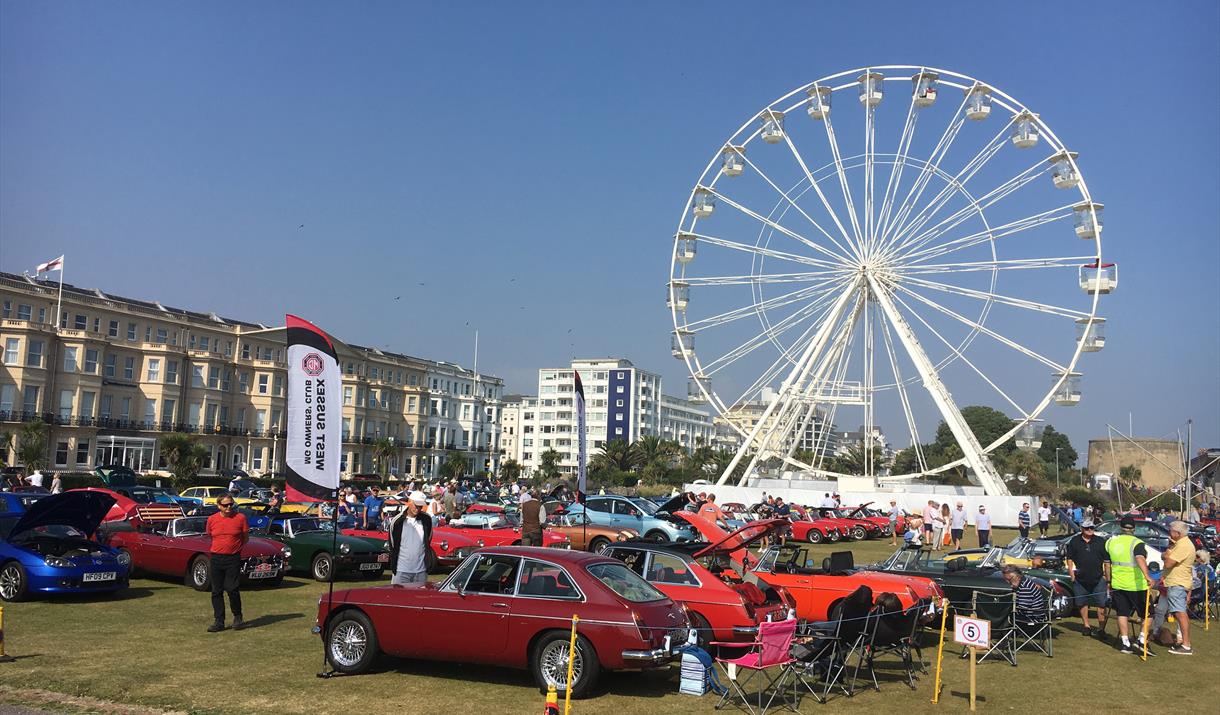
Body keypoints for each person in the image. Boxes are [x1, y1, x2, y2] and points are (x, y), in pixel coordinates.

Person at [1105, 517, 1155, 654]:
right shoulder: (1137, 543)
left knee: (1122, 613)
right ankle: (1142, 640)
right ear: (1134, 528)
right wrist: (1147, 576)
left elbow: (1107, 564)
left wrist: (1109, 582)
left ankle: (1125, 642)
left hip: (1118, 583)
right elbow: (1140, 558)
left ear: (1121, 527)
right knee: (1149, 614)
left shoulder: (1110, 542)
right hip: (1136, 585)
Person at [205, 496, 249, 632]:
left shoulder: (240, 518)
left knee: (232, 588)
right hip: (216, 558)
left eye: (231, 504)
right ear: (218, 506)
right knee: (216, 591)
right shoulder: (212, 519)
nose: (229, 507)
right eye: (225, 505)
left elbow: (245, 538)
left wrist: (235, 548)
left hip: (233, 558)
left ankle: (237, 616)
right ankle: (219, 621)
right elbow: (210, 535)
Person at [1065, 519, 1110, 638]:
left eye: (1092, 528)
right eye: (1087, 528)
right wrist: (1071, 573)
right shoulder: (1074, 541)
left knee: (1101, 603)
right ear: (1081, 529)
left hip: (1098, 578)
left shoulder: (1100, 541)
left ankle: (1101, 628)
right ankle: (1086, 626)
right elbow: (1069, 558)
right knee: (1081, 603)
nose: (1090, 530)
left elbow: (1107, 560)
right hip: (1080, 579)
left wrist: (1107, 577)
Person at [1160, 521, 1196, 655]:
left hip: (1178, 582)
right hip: (1176, 582)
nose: (1169, 533)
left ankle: (1186, 645)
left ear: (1178, 533)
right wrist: (1166, 555)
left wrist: (1167, 554)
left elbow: (1168, 563)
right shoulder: (1179, 544)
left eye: (1171, 531)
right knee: (1180, 613)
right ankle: (1185, 643)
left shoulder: (1183, 545)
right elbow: (1165, 557)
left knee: (1180, 613)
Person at [388, 491, 432, 585]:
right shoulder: (397, 521)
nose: (418, 508)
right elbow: (393, 544)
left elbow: (428, 540)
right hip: (401, 570)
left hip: (421, 571)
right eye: (416, 505)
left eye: (421, 506)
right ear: (409, 502)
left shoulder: (427, 520)